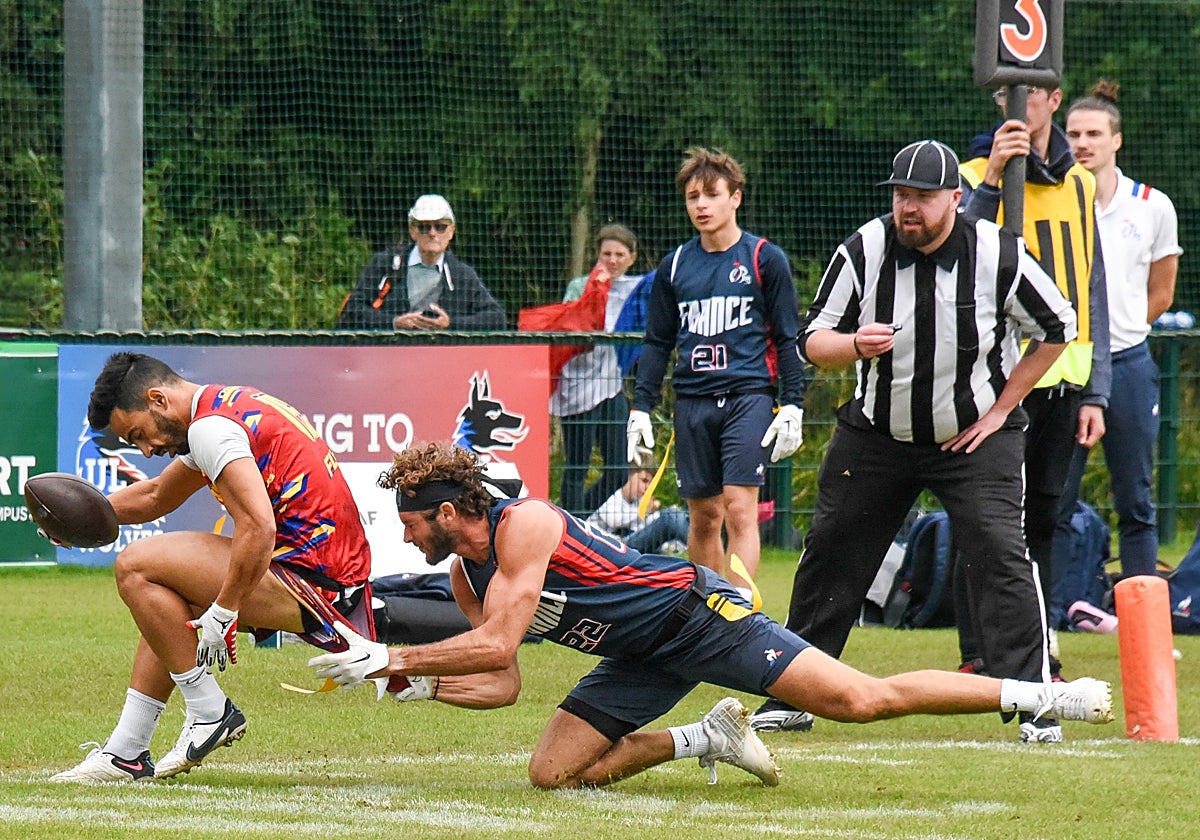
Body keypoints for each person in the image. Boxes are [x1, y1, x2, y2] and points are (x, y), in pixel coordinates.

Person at [306, 442, 1112, 790]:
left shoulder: (528, 525)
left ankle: (1035, 693)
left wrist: (394, 660)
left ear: (447, 510)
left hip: (695, 615)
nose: (404, 534)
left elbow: (500, 641)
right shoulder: (462, 577)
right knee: (552, 773)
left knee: (861, 701)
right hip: (637, 654)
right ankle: (708, 737)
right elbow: (503, 680)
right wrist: (422, 690)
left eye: (411, 520)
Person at [751, 140, 1084, 745]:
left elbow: (1060, 326)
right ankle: (794, 691)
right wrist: (855, 345)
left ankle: (1036, 700)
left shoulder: (998, 253)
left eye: (923, 197)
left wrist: (1003, 409)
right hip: (878, 433)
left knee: (1001, 551)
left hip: (975, 435)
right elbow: (811, 342)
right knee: (832, 548)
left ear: (955, 199)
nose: (909, 208)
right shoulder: (864, 248)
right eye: (901, 195)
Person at [51, 353, 373, 783]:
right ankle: (125, 754)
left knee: (134, 566)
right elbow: (155, 497)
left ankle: (209, 711)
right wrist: (77, 521)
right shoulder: (220, 410)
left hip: (311, 580)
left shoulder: (209, 430)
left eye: (139, 434)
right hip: (323, 574)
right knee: (162, 603)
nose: (147, 450)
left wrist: (223, 613)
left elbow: (259, 528)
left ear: (157, 399)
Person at [954, 84, 1111, 705]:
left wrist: (1097, 388)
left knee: (1044, 516)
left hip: (1065, 374)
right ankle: (978, 654)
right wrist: (993, 174)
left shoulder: (1080, 183)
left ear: (1052, 98)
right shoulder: (968, 171)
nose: (1018, 105)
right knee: (987, 519)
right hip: (993, 376)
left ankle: (1039, 648)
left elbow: (1091, 283)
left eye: (1031, 94)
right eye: (1006, 93)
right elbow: (954, 251)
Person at [627, 147, 806, 587]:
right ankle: (709, 613)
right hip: (693, 401)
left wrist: (794, 404)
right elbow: (657, 343)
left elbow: (787, 337)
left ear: (735, 198)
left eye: (711, 194)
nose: (701, 205)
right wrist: (640, 407)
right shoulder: (675, 266)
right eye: (692, 197)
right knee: (704, 515)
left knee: (740, 507)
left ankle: (740, 617)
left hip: (749, 397)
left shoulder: (765, 259)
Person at [1057, 80, 1182, 589]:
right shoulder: (1055, 201)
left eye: (1092, 133)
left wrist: (1121, 333)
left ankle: (1142, 628)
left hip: (1129, 363)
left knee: (1136, 499)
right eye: (1073, 133)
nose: (1082, 143)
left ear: (1116, 141)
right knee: (1054, 500)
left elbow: (1162, 294)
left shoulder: (1153, 206)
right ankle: (1051, 622)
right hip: (1065, 363)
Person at [553, 224, 653, 518]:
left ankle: (576, 522)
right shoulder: (579, 286)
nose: (612, 260)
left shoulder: (637, 292)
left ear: (632, 257)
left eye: (619, 254)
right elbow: (565, 324)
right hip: (577, 386)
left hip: (612, 387)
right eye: (606, 253)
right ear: (597, 255)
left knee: (619, 469)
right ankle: (570, 533)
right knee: (577, 465)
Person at [336, 193, 506, 331]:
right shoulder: (386, 265)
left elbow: (496, 318)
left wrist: (450, 324)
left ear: (451, 231)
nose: (432, 233)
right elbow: (351, 311)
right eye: (424, 227)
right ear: (412, 231)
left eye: (440, 226)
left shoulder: (462, 275)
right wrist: (394, 323)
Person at [588, 467, 689, 555]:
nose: (647, 488)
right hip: (608, 546)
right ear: (629, 475)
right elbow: (614, 520)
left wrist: (657, 517)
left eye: (651, 483)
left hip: (624, 542)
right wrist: (644, 511)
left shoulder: (638, 501)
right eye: (644, 481)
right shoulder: (611, 493)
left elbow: (641, 529)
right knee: (670, 518)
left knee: (669, 517)